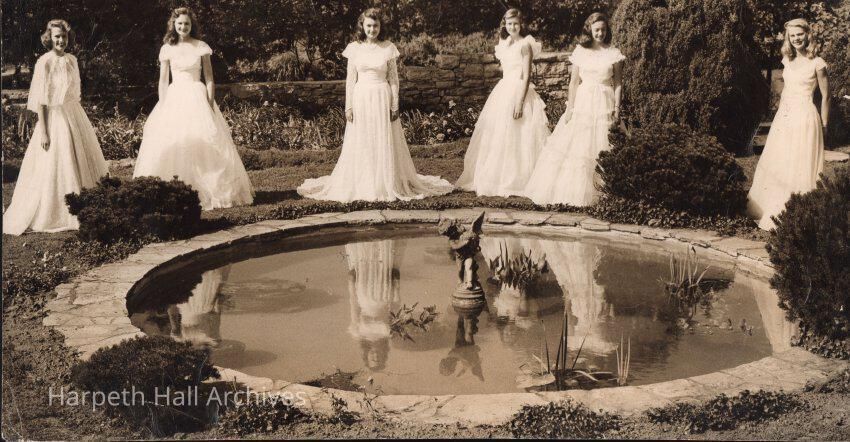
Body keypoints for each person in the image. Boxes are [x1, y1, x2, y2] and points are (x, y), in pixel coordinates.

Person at [297, 8, 453, 202]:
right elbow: (350, 80)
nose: (372, 29)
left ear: (381, 26)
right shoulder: (354, 48)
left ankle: (384, 181)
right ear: (362, 26)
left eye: (376, 25)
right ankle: (364, 181)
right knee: (363, 139)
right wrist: (348, 106)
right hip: (361, 97)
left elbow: (393, 79)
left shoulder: (388, 48)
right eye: (369, 25)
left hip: (381, 97)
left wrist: (395, 104)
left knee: (382, 138)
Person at [133, 7, 253, 210]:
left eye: (186, 23)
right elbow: (163, 81)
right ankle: (173, 190)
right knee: (176, 141)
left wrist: (210, 105)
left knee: (205, 141)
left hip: (197, 96)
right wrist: (163, 106)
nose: (183, 27)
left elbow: (209, 79)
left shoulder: (201, 47)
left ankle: (210, 190)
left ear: (192, 25)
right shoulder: (167, 48)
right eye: (179, 23)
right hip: (175, 97)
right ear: (173, 25)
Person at [3, 19, 109, 235]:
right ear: (49, 39)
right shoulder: (44, 62)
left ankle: (84, 204)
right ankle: (58, 211)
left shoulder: (72, 60)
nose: (61, 40)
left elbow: (74, 93)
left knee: (79, 158)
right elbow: (41, 101)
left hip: (74, 115)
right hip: (54, 118)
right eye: (57, 37)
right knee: (57, 162)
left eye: (64, 36)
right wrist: (44, 131)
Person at [524, 12, 624, 206]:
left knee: (604, 144)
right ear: (589, 30)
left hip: (605, 101)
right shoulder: (580, 52)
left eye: (603, 30)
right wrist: (570, 108)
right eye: (596, 30)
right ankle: (574, 192)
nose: (600, 33)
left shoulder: (614, 54)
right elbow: (573, 83)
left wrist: (617, 109)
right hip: (584, 102)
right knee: (579, 146)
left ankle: (605, 192)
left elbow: (618, 84)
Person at [455, 8, 550, 197]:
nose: (512, 27)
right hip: (503, 91)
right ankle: (497, 177)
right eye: (509, 24)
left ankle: (520, 179)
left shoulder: (525, 44)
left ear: (521, 24)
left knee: (520, 134)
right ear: (504, 25)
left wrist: (519, 102)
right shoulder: (504, 44)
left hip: (519, 91)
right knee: (499, 134)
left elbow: (526, 76)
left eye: (516, 24)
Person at [747, 18, 829, 230]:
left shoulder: (818, 63)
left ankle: (799, 212)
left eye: (799, 34)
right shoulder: (787, 60)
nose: (796, 39)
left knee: (800, 161)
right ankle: (775, 208)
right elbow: (786, 90)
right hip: (785, 116)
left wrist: (825, 124)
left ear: (807, 35)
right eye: (792, 36)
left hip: (805, 117)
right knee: (780, 159)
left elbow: (826, 96)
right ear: (788, 38)